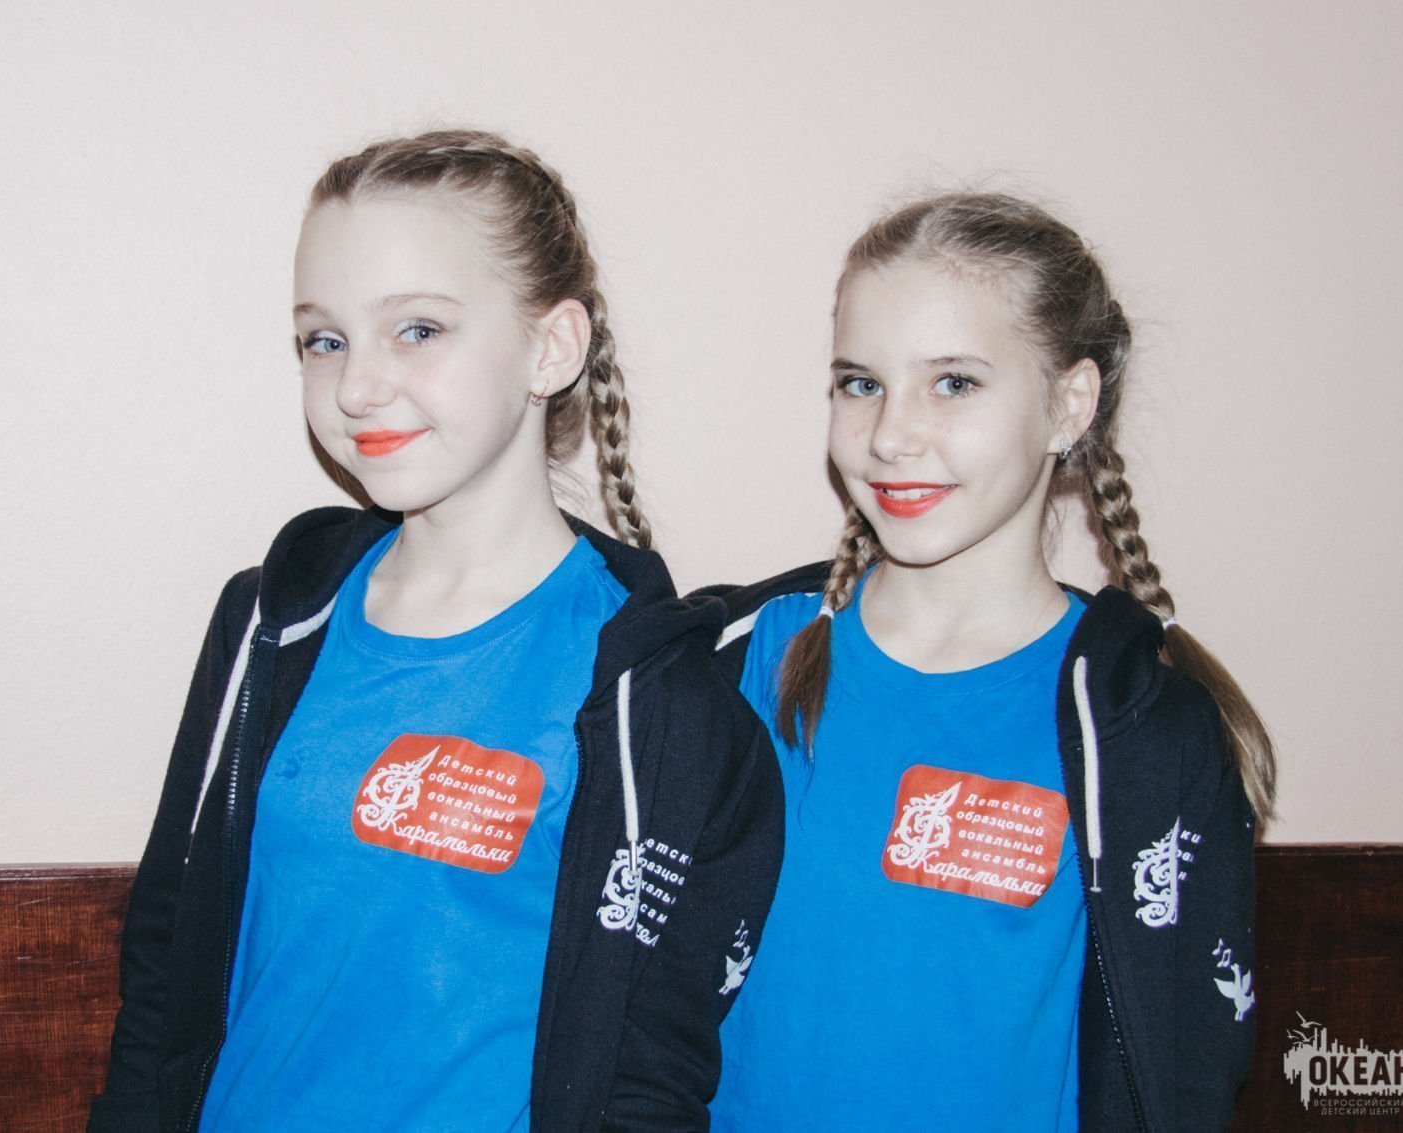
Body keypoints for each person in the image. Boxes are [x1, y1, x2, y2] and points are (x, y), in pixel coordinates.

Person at [86, 129, 782, 1133]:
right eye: (324, 339)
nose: (356, 387)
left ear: (552, 347)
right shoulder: (269, 625)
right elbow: (164, 964)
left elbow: (650, 1074)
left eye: (416, 329)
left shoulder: (658, 703)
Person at [706, 193, 1275, 1132]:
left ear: (1068, 404)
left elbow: (1181, 1068)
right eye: (861, 383)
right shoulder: (739, 665)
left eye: (954, 383)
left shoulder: (1143, 732)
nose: (891, 434)